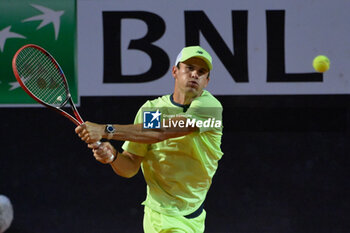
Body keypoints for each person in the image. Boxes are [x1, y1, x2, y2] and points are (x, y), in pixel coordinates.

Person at [75, 45, 223, 233]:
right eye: (189, 68)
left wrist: (106, 130)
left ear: (207, 81)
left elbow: (160, 132)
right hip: (158, 216)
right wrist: (113, 156)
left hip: (193, 214)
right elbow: (130, 167)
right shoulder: (152, 110)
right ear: (175, 72)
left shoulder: (210, 108)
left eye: (201, 72)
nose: (195, 75)